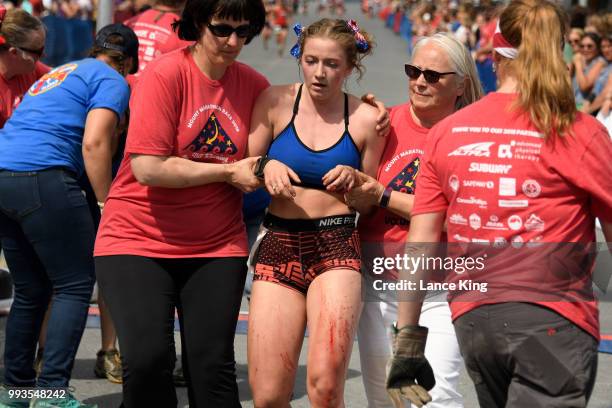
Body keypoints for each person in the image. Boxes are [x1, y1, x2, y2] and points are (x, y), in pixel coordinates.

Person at [388, 1, 612, 407]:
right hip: (552, 319)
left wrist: (407, 339)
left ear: (494, 57)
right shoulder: (581, 131)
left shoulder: (449, 131)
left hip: (475, 319)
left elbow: (419, 242)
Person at [93, 0, 269, 406]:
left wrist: (362, 109)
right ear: (197, 23)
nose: (233, 41)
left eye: (244, 32)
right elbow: (150, 169)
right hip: (137, 239)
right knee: (147, 361)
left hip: (215, 244)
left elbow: (304, 113)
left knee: (211, 367)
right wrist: (226, 172)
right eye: (222, 28)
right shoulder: (166, 74)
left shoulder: (254, 84)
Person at [246, 18, 385, 407]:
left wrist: (356, 181)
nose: (319, 73)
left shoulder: (366, 119)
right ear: (299, 58)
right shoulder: (273, 101)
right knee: (269, 395)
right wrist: (265, 167)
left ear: (350, 66)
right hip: (278, 244)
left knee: (324, 388)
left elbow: (369, 200)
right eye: (311, 61)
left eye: (331, 64)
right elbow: (244, 170)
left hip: (336, 246)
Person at [0, 23, 136, 408]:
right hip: (44, 174)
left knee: (30, 290)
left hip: (3, 174)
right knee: (75, 285)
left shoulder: (62, 72)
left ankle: (18, 391)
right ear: (126, 63)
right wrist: (107, 202)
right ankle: (52, 392)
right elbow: (95, 142)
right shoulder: (112, 78)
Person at [347, 32, 482, 408]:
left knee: (439, 398)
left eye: (433, 75)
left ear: (461, 85)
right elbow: (360, 199)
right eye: (414, 70)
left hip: (444, 291)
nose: (420, 81)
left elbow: (461, 215)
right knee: (383, 396)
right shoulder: (381, 124)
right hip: (379, 285)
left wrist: (385, 195)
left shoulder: (472, 136)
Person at [0, 5, 48, 128]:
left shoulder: (30, 69)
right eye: (38, 51)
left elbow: (62, 78)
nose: (44, 55)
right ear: (13, 53)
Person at [572, 32, 606, 108]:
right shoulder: (581, 60)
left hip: (583, 107)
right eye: (582, 46)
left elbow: (584, 86)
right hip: (572, 104)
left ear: (597, 48)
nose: (585, 49)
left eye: (589, 46)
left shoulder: (600, 62)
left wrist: (578, 64)